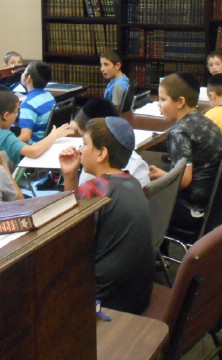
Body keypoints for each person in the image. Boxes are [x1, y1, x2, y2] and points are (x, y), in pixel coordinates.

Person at [58, 117, 154, 313]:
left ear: (102, 153)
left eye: (85, 143)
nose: (80, 149)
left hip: (104, 301)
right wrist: (70, 175)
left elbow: (67, 238)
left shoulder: (95, 189)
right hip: (137, 296)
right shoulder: (132, 182)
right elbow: (77, 218)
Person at [148, 73, 222, 232]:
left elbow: (184, 180)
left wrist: (161, 181)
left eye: (163, 99)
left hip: (192, 210)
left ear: (180, 102)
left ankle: (158, 247)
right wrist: (166, 175)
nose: (158, 105)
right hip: (215, 205)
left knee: (140, 205)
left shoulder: (178, 132)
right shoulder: (204, 120)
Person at [0, 88, 74, 169]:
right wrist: (54, 135)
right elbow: (34, 151)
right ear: (6, 115)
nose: (17, 116)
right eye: (16, 112)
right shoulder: (5, 137)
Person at [73, 97, 150, 187]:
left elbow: (79, 196)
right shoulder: (92, 161)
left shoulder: (135, 169)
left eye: (85, 142)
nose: (80, 149)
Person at [17, 61, 56, 144]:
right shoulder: (49, 95)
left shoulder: (27, 104)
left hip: (36, 145)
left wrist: (8, 146)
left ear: (28, 78)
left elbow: (25, 137)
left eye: (24, 71)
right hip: (49, 142)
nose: (22, 73)